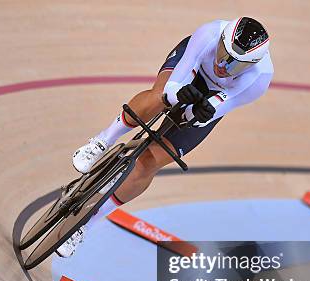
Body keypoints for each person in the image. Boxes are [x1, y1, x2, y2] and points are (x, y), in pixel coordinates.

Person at [57, 17, 274, 257]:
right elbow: (175, 85)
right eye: (223, 54)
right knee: (159, 96)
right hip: (191, 67)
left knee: (151, 162)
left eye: (234, 65)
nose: (223, 65)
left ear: (251, 64)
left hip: (214, 96)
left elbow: (201, 116)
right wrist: (176, 95)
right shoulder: (209, 33)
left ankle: (85, 224)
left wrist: (195, 111)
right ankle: (102, 141)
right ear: (221, 40)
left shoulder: (258, 79)